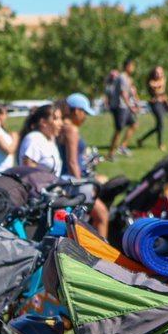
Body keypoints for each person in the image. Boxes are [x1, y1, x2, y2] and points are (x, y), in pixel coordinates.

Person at [57, 94, 110, 237]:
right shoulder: (71, 129)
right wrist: (83, 185)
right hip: (73, 179)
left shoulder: (62, 126)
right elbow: (72, 161)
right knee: (102, 215)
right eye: (84, 113)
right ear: (76, 111)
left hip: (68, 178)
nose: (85, 117)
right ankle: (101, 255)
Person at [107, 58, 141, 159]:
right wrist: (131, 107)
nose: (133, 68)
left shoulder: (127, 78)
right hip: (119, 107)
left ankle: (123, 146)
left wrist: (137, 103)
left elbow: (132, 91)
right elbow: (123, 93)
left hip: (125, 106)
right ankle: (111, 154)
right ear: (127, 66)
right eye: (132, 66)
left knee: (134, 124)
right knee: (119, 129)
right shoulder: (122, 77)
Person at [17, 104, 64, 173]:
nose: (61, 123)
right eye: (56, 119)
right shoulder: (34, 138)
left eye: (61, 118)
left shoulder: (50, 140)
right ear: (43, 122)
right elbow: (27, 171)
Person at [136, 66, 168, 150]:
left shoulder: (162, 80)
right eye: (157, 73)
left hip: (162, 103)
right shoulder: (151, 82)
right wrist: (160, 89)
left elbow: (163, 91)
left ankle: (141, 139)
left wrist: (166, 100)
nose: (159, 75)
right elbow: (157, 92)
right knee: (160, 123)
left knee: (159, 126)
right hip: (155, 104)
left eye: (161, 73)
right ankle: (160, 144)